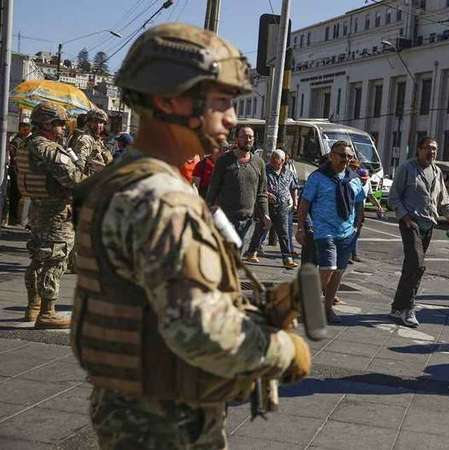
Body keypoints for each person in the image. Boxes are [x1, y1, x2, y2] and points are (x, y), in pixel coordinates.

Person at [70, 23, 310, 449]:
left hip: (136, 406)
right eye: (221, 101)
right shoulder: (163, 199)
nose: (233, 118)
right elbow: (200, 331)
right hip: (167, 420)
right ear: (168, 100)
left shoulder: (123, 181)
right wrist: (282, 351)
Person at [15, 102, 86, 327]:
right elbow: (72, 179)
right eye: (59, 124)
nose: (63, 128)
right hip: (56, 211)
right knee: (56, 259)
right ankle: (48, 312)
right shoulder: (46, 147)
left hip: (38, 208)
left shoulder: (26, 144)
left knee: (38, 258)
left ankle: (33, 308)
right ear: (46, 124)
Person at [388, 136, 449, 328]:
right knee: (417, 266)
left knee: (410, 267)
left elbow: (444, 200)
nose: (431, 152)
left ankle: (397, 306)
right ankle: (409, 308)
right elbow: (394, 197)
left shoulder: (437, 171)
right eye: (427, 148)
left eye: (434, 149)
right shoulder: (407, 168)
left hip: (429, 225)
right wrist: (406, 218)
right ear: (418, 149)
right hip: (410, 223)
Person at [295, 141, 365, 324]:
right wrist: (301, 227)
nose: (346, 160)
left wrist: (357, 226)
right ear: (332, 155)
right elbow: (304, 204)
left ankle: (327, 309)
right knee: (328, 268)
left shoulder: (354, 179)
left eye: (349, 157)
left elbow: (359, 204)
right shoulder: (317, 177)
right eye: (343, 156)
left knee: (339, 272)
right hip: (324, 231)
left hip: (347, 233)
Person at [245, 149, 299, 269]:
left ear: (283, 161)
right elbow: (257, 186)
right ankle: (252, 251)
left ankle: (287, 258)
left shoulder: (289, 173)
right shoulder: (265, 170)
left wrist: (295, 203)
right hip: (266, 206)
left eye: (276, 159)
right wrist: (267, 194)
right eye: (272, 158)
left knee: (284, 232)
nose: (273, 161)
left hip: (283, 206)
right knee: (261, 229)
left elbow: (294, 188)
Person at [348, 167, 384, 264]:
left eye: (365, 179)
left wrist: (379, 206)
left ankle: (354, 254)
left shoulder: (367, 183)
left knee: (356, 233)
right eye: (362, 179)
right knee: (349, 232)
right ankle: (347, 255)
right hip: (351, 210)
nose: (363, 181)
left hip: (360, 211)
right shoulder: (352, 183)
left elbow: (370, 196)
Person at [3, 118, 31, 226]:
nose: (26, 130)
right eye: (24, 128)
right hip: (16, 171)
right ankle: (13, 219)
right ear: (20, 129)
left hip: (21, 172)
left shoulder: (25, 141)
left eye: (27, 128)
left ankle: (16, 218)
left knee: (19, 196)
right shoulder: (16, 141)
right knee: (15, 196)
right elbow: (14, 156)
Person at [70, 108, 113, 176]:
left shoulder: (97, 140)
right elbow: (78, 168)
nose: (98, 125)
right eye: (95, 121)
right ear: (88, 122)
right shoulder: (86, 139)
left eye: (101, 122)